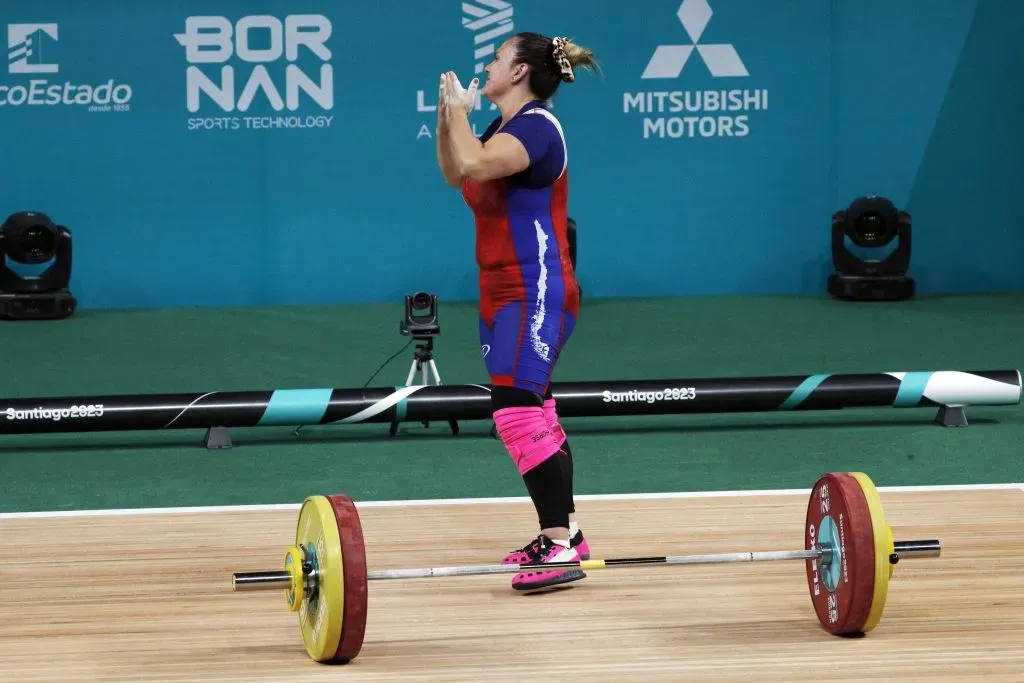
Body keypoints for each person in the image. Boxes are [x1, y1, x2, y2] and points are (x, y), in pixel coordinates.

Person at [434, 32, 599, 592]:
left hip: (536, 289)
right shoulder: (501, 129)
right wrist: (446, 118)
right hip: (498, 293)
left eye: (498, 58)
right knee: (537, 411)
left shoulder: (535, 128)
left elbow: (477, 166)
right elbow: (456, 173)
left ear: (521, 72)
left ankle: (556, 546)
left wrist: (461, 114)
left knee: (516, 412)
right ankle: (567, 536)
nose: (487, 63)